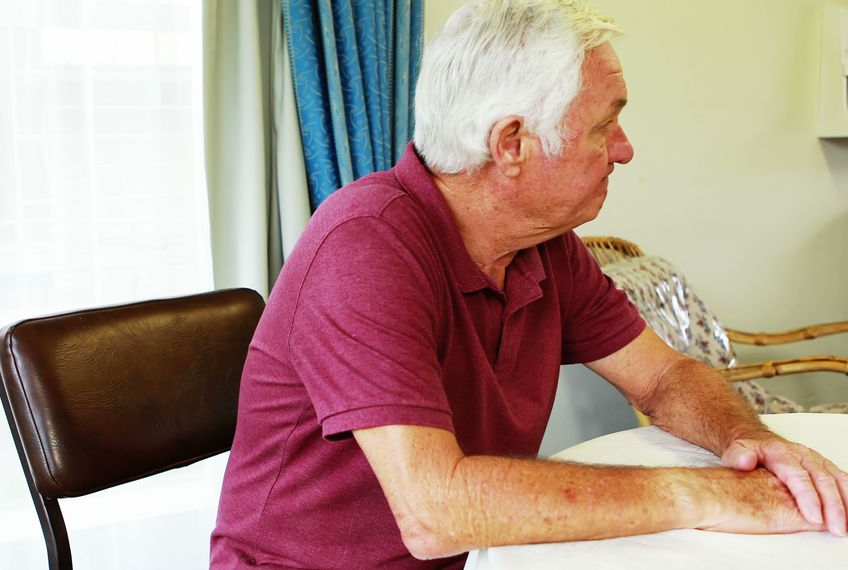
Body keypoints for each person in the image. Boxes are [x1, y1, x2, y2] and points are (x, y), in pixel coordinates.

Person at [210, 0, 848, 568]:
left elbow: (662, 376)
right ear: (511, 144)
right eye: (604, 125)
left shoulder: (545, 246)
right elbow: (435, 513)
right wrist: (706, 494)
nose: (624, 150)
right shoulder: (364, 246)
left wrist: (753, 444)